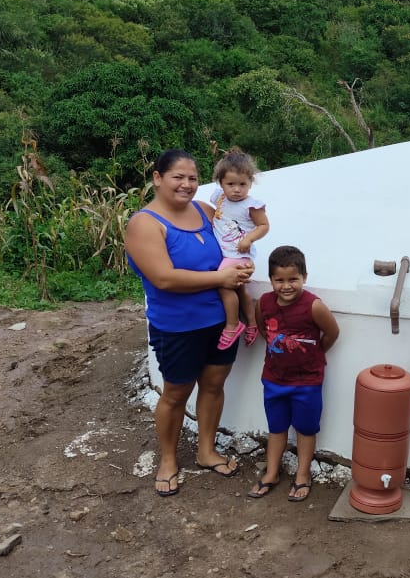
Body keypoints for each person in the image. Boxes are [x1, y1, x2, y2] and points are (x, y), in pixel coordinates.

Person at [125, 149, 255, 497]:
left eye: (193, 178)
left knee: (213, 385)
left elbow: (233, 246)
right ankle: (168, 460)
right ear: (157, 178)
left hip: (221, 321)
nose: (186, 184)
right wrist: (221, 279)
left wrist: (243, 263)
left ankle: (206, 451)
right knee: (176, 393)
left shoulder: (206, 211)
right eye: (178, 177)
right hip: (177, 326)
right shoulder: (144, 224)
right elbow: (164, 278)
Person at [247, 245, 339, 503]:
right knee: (276, 427)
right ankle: (272, 472)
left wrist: (314, 356)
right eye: (279, 280)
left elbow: (332, 333)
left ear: (304, 277)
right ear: (271, 279)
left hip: (307, 382)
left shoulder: (314, 306)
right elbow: (265, 330)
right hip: (273, 379)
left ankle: (302, 474)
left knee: (306, 429)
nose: (286, 286)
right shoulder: (264, 303)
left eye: (293, 279)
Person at [209, 148, 269, 351]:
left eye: (242, 184)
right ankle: (251, 323)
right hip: (227, 254)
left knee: (223, 285)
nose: (236, 189)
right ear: (221, 183)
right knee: (240, 289)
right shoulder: (219, 198)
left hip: (239, 255)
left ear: (250, 182)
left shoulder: (252, 206)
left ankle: (233, 324)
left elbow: (264, 226)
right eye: (231, 184)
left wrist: (249, 239)